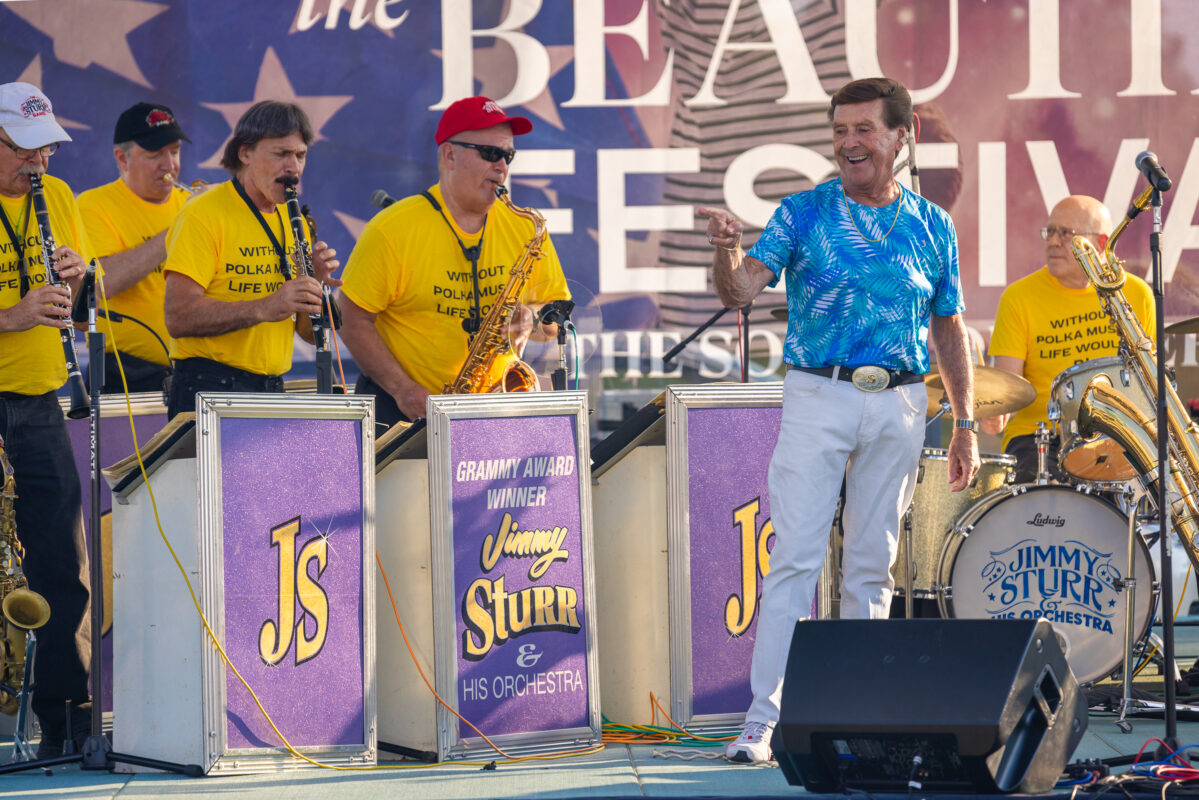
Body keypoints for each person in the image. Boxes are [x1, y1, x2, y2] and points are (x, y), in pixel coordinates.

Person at [698, 77, 979, 763]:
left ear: (898, 138)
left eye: (863, 130)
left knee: (870, 567)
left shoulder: (930, 224)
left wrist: (965, 420)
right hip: (817, 395)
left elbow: (948, 325)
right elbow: (738, 291)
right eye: (840, 130)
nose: (848, 142)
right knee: (792, 558)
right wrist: (725, 249)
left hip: (903, 401)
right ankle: (762, 721)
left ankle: (861, 712)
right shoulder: (802, 213)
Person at [338, 96, 570, 427]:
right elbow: (350, 317)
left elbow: (557, 318)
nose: (502, 166)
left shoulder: (525, 227)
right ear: (450, 155)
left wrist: (532, 319)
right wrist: (403, 389)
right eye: (490, 154)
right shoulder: (392, 229)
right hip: (402, 415)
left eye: (508, 155)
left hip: (491, 412)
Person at [0, 82, 93, 758]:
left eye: (49, 148)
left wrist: (77, 279)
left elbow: (70, 293)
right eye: (26, 151)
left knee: (60, 560)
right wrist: (14, 315)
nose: (41, 163)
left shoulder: (56, 198)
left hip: (36, 398)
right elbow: (23, 307)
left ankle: (63, 714)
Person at [162, 100, 340, 419]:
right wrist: (266, 307)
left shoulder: (292, 216)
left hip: (271, 389)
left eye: (300, 155)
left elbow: (309, 334)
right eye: (280, 154)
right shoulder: (202, 214)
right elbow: (178, 317)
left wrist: (319, 288)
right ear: (245, 154)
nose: (293, 167)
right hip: (209, 388)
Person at [983, 195, 1154, 484]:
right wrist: (995, 410)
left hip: (1115, 434)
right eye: (1050, 232)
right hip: (1037, 436)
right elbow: (1007, 389)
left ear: (1100, 243)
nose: (1053, 242)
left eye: (1066, 234)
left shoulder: (1134, 294)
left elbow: (1147, 385)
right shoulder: (1018, 298)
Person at [76, 102, 192, 394]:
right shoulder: (93, 205)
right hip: (124, 372)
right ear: (122, 159)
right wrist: (180, 228)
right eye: (155, 155)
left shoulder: (189, 205)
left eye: (175, 151)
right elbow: (102, 284)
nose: (170, 165)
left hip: (191, 368)